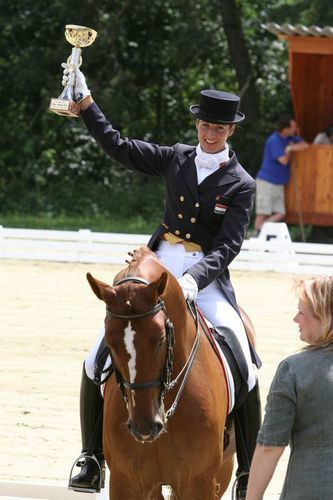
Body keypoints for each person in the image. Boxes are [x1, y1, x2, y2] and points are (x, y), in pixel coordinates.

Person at [63, 66, 261, 499]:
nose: (211, 133)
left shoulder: (242, 184)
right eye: (206, 125)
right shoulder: (176, 158)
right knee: (96, 357)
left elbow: (228, 247)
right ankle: (91, 456)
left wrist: (194, 281)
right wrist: (89, 104)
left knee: (243, 357)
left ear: (230, 130)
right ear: (197, 124)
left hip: (205, 278)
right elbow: (120, 148)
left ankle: (247, 468)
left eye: (219, 128)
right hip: (158, 262)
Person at [245, 275, 333, 500]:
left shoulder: (293, 370)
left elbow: (269, 448)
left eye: (302, 312)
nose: (295, 319)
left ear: (325, 317)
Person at [252, 115, 308, 236]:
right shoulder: (274, 140)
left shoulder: (290, 139)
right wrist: (289, 150)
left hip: (278, 183)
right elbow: (283, 160)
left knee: (280, 213)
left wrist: (291, 146)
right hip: (267, 181)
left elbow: (305, 145)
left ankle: (259, 230)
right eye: (293, 127)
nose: (295, 129)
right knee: (263, 213)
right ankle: (256, 235)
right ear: (285, 129)